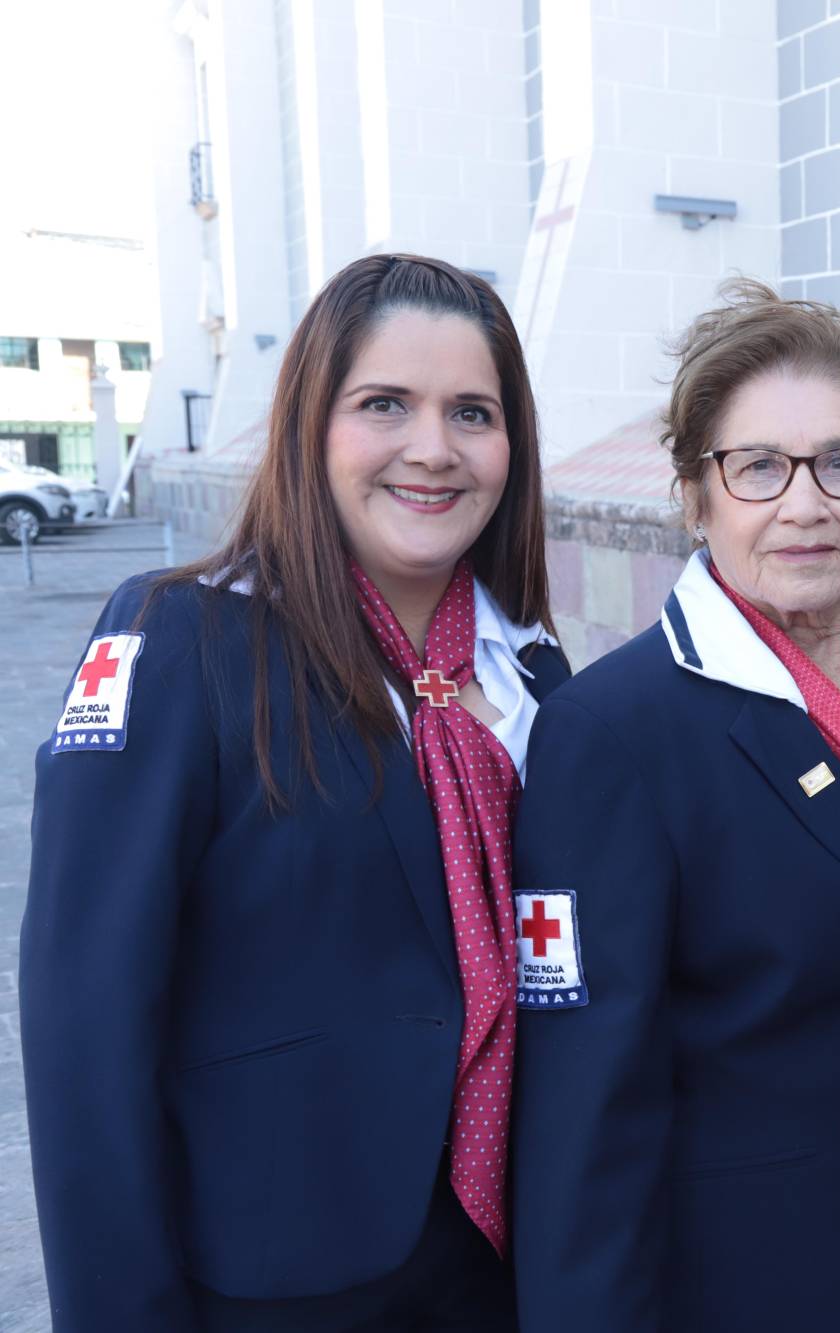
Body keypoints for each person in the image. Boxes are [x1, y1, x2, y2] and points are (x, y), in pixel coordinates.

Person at [21, 254, 565, 1330]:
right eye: (383, 405)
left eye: (472, 411)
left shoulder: (533, 668)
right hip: (275, 1283)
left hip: (507, 1266)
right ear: (311, 425)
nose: (433, 448)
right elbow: (85, 1019)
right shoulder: (184, 637)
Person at [510, 281, 840, 1330]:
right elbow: (585, 1112)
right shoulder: (612, 732)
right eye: (757, 467)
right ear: (696, 494)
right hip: (747, 1286)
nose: (804, 504)